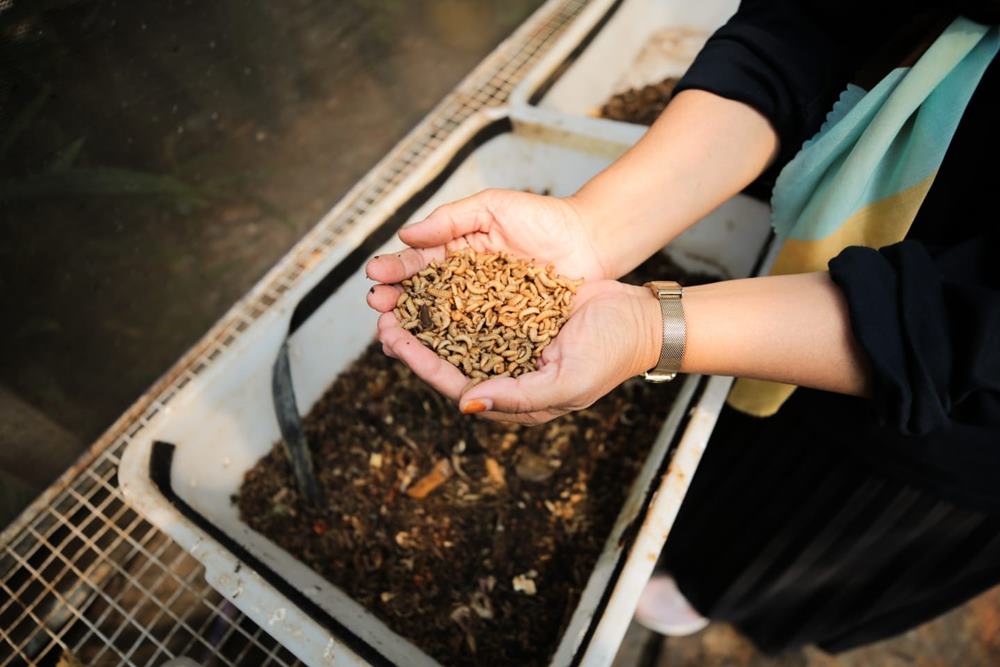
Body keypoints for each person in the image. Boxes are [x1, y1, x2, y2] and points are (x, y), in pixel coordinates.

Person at [366, 0, 1000, 655]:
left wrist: (651, 329)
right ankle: (687, 563)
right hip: (825, 253)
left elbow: (974, 328)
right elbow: (811, 20)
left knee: (793, 543)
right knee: (725, 469)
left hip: (957, 426)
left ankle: (704, 594)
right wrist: (598, 226)